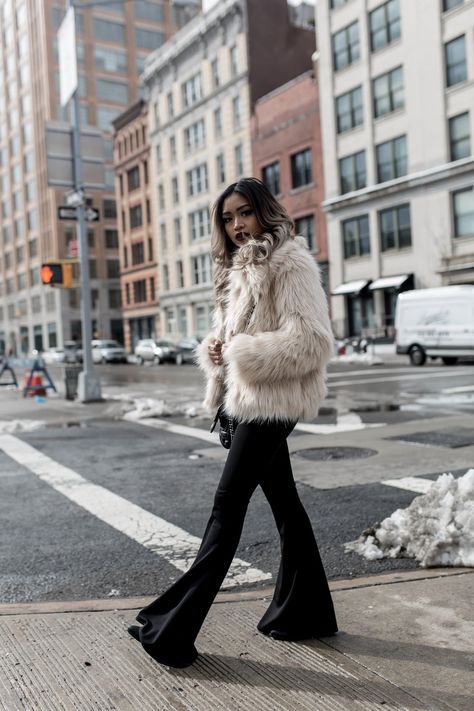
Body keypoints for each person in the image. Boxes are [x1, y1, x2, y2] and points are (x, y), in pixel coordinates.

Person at [128, 177, 337, 668]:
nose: (237, 225)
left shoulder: (290, 262)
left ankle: (173, 628)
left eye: (244, 213)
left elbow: (312, 340)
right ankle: (306, 611)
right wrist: (217, 349)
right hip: (248, 399)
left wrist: (241, 353)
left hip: (273, 402)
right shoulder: (239, 269)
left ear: (264, 212)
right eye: (228, 218)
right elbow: (235, 334)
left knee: (227, 505)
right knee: (284, 502)